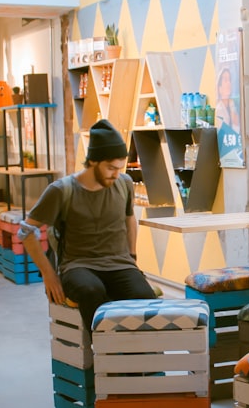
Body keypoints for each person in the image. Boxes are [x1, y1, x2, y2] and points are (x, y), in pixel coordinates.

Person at [18, 119, 156, 331]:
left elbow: (129, 218)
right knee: (91, 291)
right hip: (78, 265)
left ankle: (141, 358)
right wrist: (49, 275)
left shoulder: (124, 183)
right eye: (111, 168)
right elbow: (26, 231)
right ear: (93, 161)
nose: (116, 174)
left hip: (119, 263)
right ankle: (105, 352)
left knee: (145, 298)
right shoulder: (62, 190)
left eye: (120, 168)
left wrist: (133, 257)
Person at [214, 66, 243, 166]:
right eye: (225, 80)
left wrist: (231, 105)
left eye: (229, 79)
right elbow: (232, 133)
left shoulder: (232, 105)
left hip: (236, 154)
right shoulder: (219, 109)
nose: (229, 83)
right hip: (228, 154)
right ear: (219, 87)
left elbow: (237, 126)